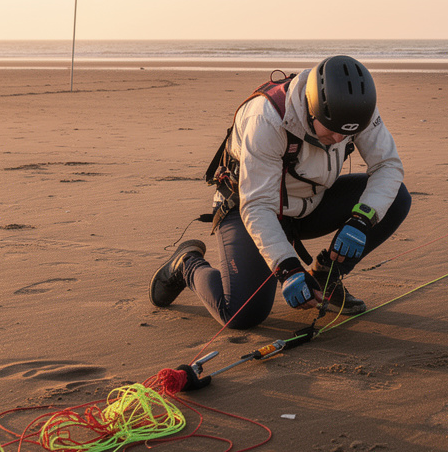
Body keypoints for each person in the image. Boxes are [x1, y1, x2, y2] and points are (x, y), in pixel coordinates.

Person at [148, 55, 410, 330]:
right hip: (249, 206)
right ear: (313, 108)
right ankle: (186, 264)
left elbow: (387, 165)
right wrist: (287, 269)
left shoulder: (356, 112)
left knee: (395, 199)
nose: (340, 140)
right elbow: (257, 205)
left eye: (348, 134)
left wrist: (361, 220)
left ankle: (324, 276)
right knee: (242, 315)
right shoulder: (267, 118)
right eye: (332, 132)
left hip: (309, 203)